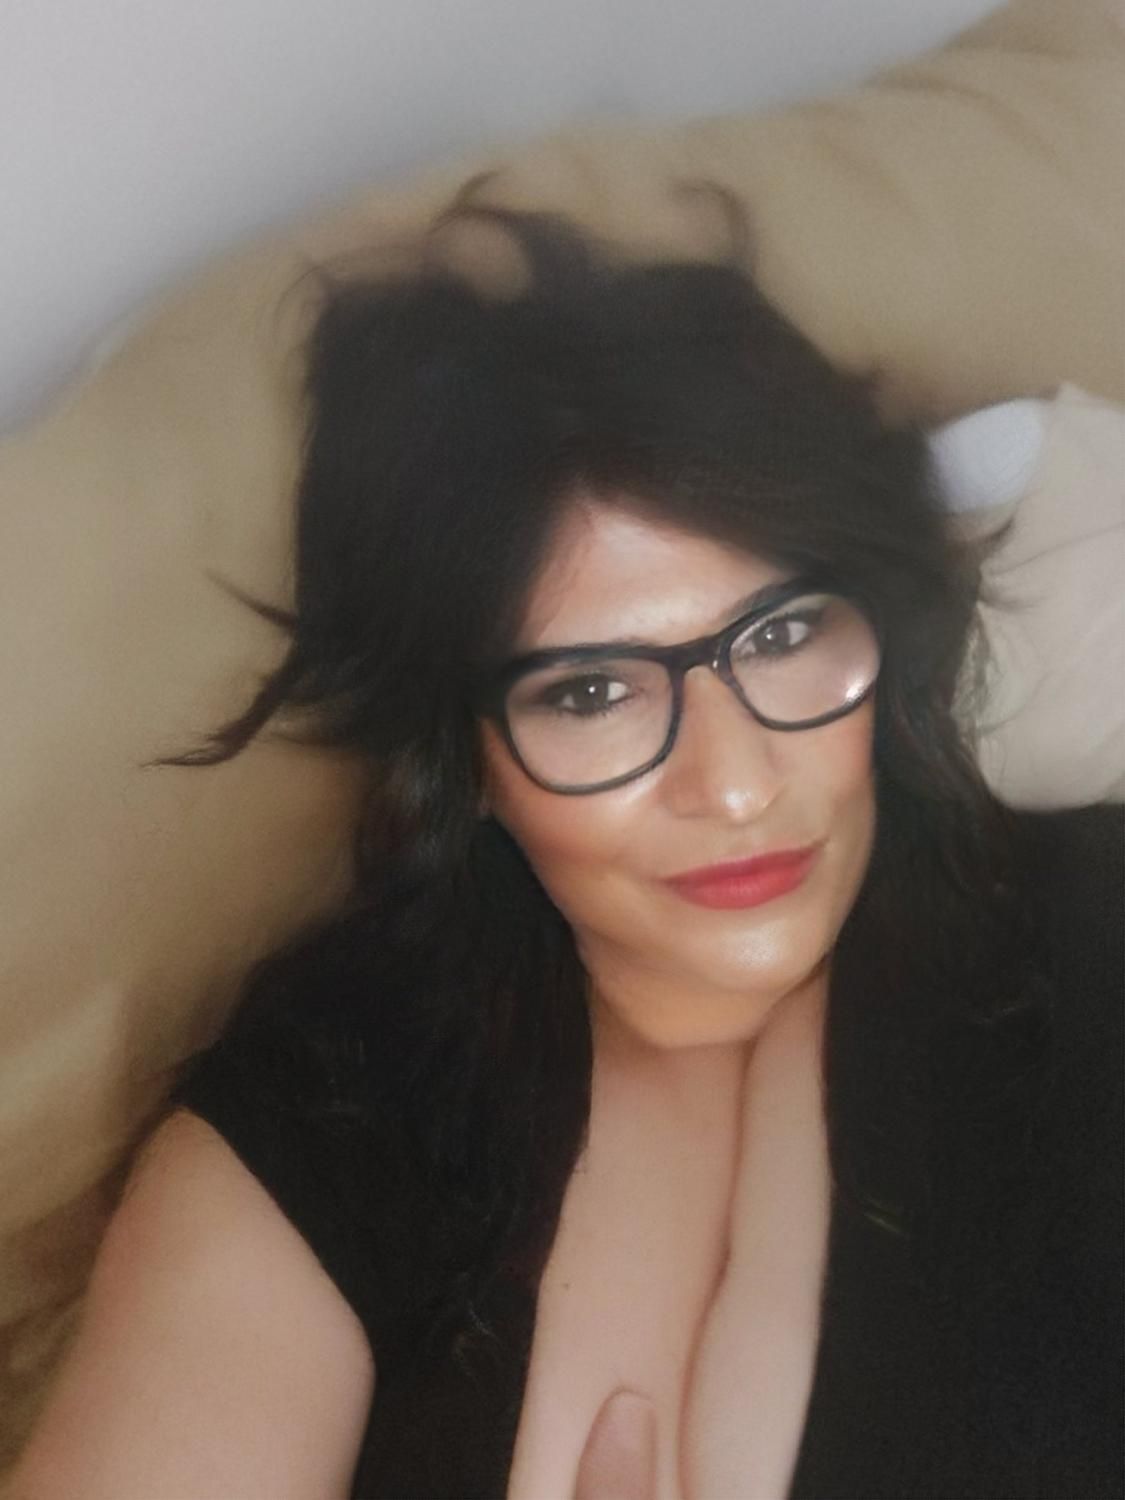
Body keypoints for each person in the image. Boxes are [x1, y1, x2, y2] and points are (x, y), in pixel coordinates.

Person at [9, 203, 1121, 1500]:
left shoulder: (1091, 928)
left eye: (780, 635)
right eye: (590, 693)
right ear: (465, 759)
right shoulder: (348, 1097)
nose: (733, 784)